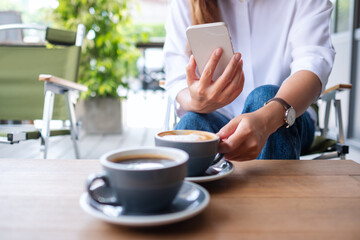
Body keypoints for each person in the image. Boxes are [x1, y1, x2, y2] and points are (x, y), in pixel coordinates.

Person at [163, 0, 335, 161]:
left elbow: (313, 65)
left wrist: (268, 119)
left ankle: (273, 193)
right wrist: (196, 101)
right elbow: (177, 78)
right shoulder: (185, 3)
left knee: (264, 97)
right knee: (191, 123)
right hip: (220, 117)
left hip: (287, 119)